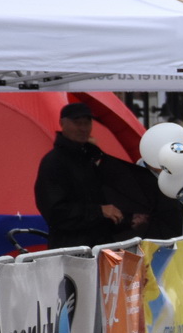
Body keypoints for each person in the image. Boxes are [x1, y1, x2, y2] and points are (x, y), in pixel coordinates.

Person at [35, 101, 143, 248]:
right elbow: (55, 212)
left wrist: (128, 219)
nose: (83, 128)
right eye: (77, 123)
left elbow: (104, 201)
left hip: (100, 247)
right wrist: (99, 211)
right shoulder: (54, 162)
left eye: (87, 123)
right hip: (71, 251)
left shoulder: (91, 158)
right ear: (62, 123)